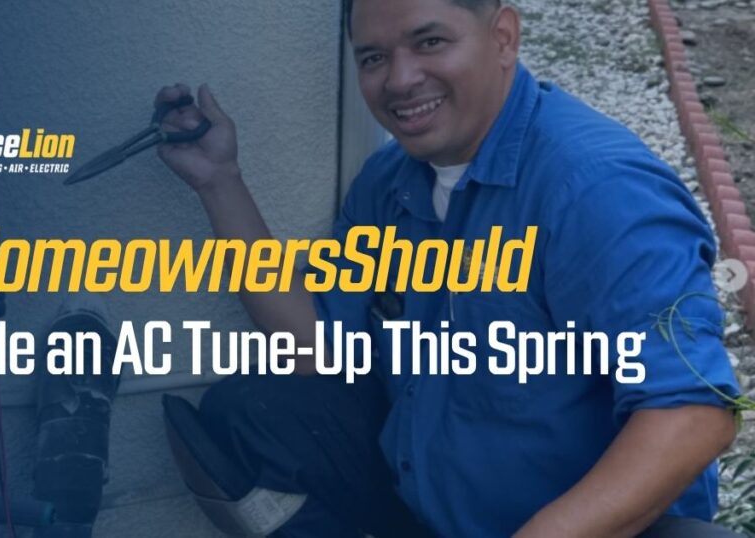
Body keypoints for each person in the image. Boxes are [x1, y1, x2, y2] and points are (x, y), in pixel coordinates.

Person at [154, 0, 742, 535]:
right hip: (436, 507)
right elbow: (314, 348)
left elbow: (691, 413)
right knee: (256, 413)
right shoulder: (391, 185)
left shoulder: (595, 191)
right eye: (375, 57)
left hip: (583, 526)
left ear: (504, 37)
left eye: (430, 42)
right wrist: (219, 182)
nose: (401, 79)